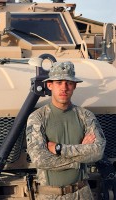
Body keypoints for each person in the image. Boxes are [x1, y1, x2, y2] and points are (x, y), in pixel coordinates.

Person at [26, 61, 106, 200]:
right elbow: (40, 159)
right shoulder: (38, 117)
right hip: (51, 195)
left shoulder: (85, 116)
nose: (64, 87)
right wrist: (79, 159)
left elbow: (97, 151)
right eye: (59, 82)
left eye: (68, 83)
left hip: (82, 193)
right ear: (49, 85)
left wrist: (58, 149)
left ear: (74, 86)